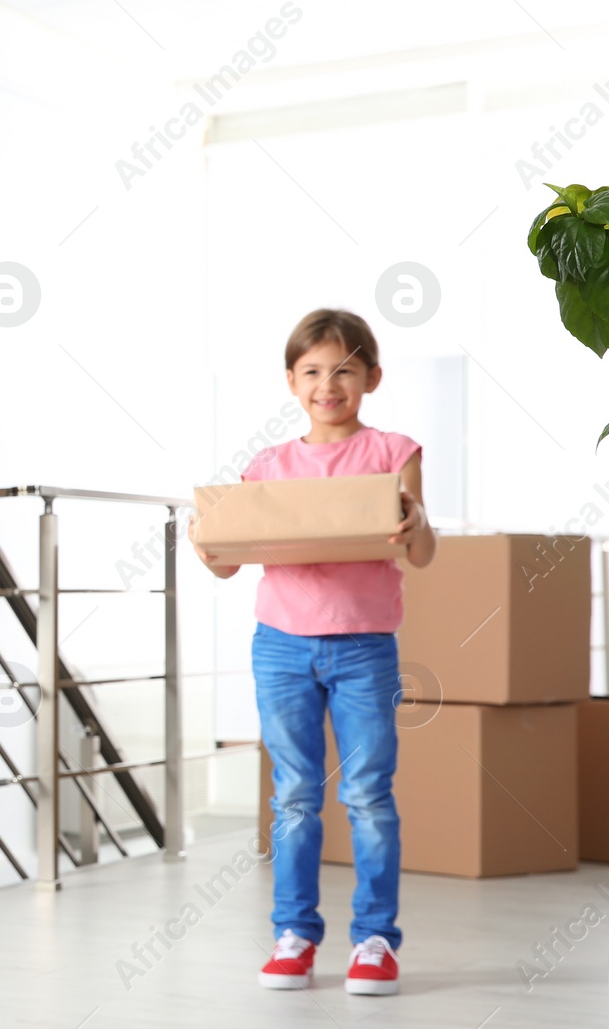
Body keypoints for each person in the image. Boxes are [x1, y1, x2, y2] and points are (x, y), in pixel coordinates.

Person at [190, 309, 436, 996]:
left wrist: (417, 521)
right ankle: (293, 934)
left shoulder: (394, 452)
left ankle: (377, 940)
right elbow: (228, 564)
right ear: (292, 381)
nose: (329, 384)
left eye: (345, 370)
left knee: (366, 794)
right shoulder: (267, 466)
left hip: (364, 647)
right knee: (294, 796)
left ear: (372, 377)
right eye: (313, 371)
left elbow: (421, 551)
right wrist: (205, 545)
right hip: (281, 647)